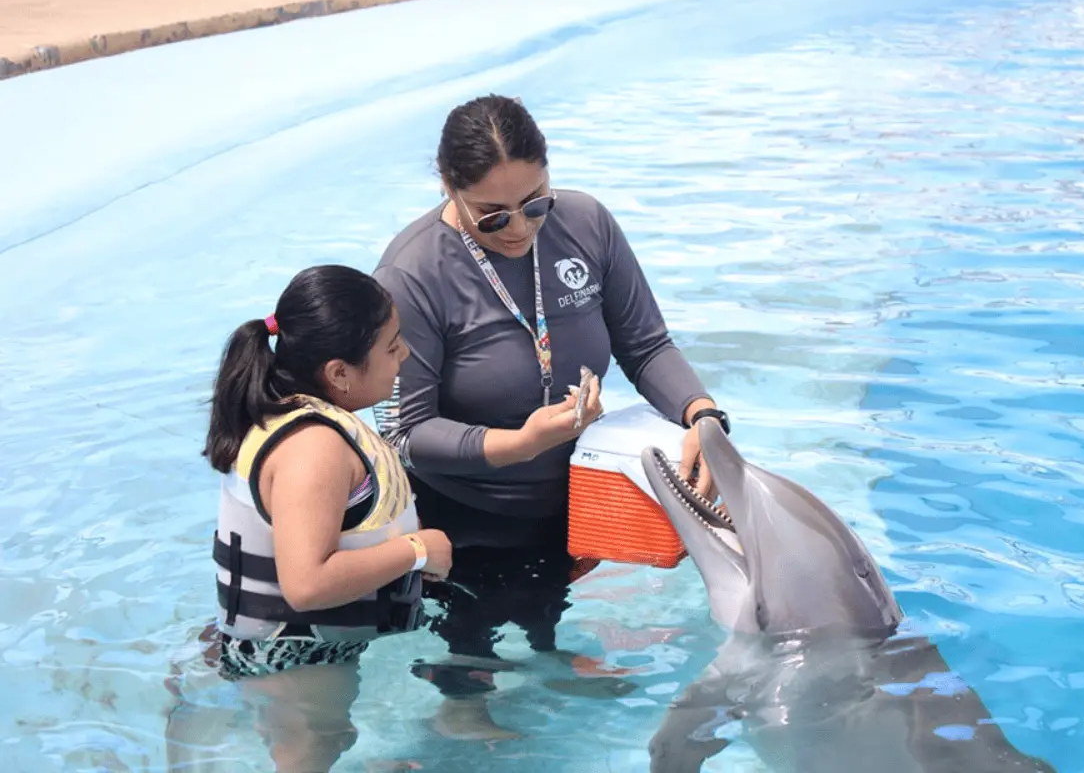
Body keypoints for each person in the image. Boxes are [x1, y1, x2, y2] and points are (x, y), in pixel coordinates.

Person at [371, 94, 732, 739]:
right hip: (461, 510)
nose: (519, 228)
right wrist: (515, 445)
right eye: (493, 215)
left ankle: (543, 658)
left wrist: (702, 415)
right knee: (468, 639)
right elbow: (405, 430)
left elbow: (646, 345)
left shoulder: (586, 223)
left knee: (541, 606)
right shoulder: (413, 272)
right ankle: (460, 711)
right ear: (449, 186)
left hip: (564, 497)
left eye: (535, 202)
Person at [178, 264, 454, 773]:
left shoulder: (289, 412)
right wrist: (418, 550)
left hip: (293, 647)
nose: (405, 355)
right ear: (339, 373)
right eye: (392, 347)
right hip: (292, 659)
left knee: (333, 742)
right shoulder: (314, 449)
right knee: (310, 754)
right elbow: (306, 585)